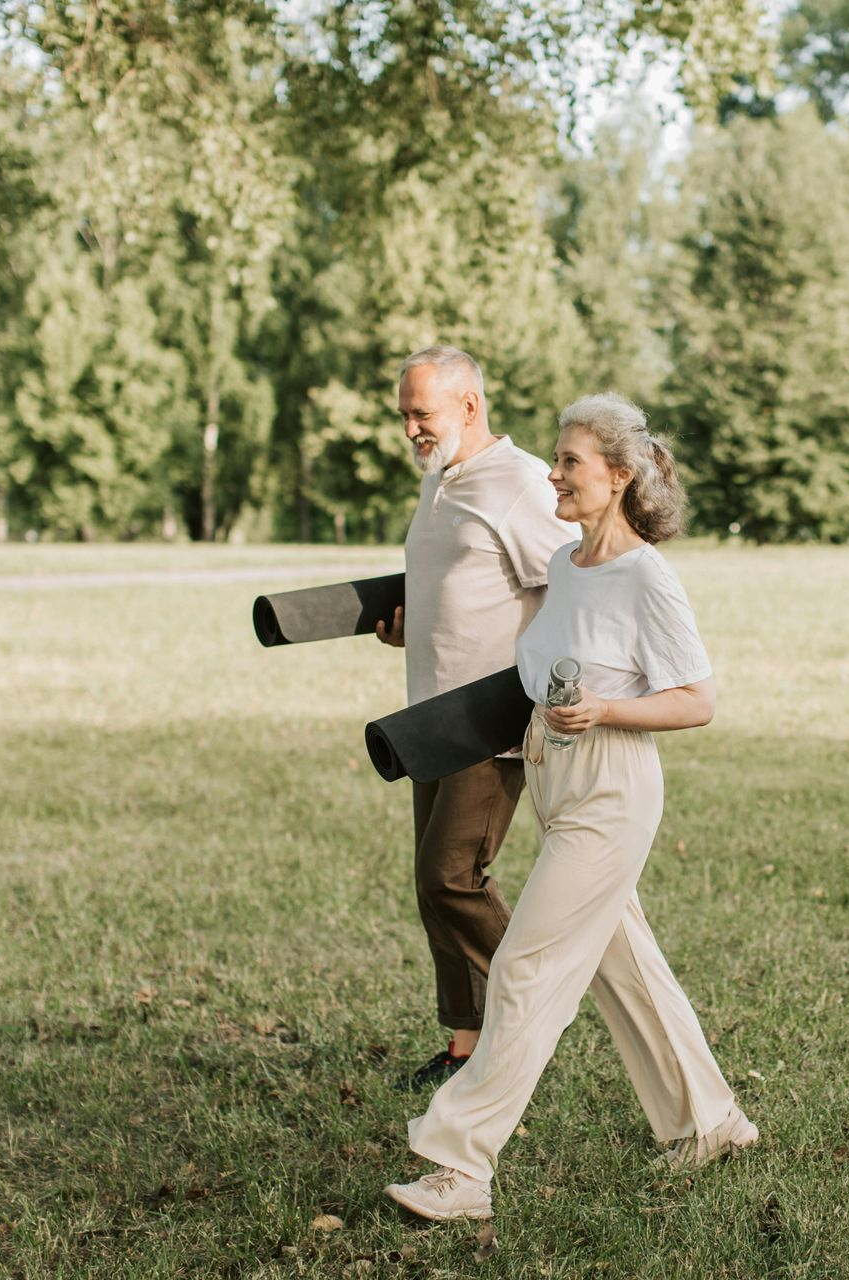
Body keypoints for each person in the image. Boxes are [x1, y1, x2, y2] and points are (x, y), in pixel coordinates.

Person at [385, 393, 756, 1222]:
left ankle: (459, 1166)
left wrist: (604, 711)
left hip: (612, 789)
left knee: (525, 967)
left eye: (570, 462)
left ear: (618, 477)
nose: (552, 474)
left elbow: (697, 699)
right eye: (555, 460)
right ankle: (710, 1121)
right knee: (627, 970)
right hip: (558, 780)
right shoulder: (566, 566)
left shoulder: (643, 576)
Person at [377, 346, 577, 1090]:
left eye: (420, 414)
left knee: (450, 875)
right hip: (428, 714)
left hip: (486, 718)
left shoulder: (520, 483)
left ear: (467, 405)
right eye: (402, 415)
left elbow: (572, 586)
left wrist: (551, 693)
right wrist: (410, 622)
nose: (409, 430)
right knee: (433, 881)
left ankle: (535, 1014)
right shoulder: (443, 480)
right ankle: (468, 1049)